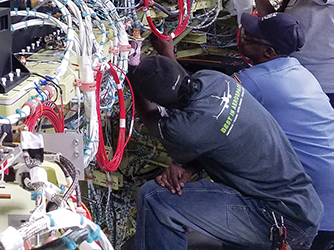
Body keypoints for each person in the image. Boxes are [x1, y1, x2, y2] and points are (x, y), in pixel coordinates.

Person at [130, 55, 322, 250]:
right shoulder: (214, 79)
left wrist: (132, 81)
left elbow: (149, 116)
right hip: (302, 205)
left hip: (277, 218)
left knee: (155, 197)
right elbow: (216, 134)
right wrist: (188, 168)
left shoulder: (185, 131)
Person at [232, 12, 334, 250]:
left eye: (249, 37)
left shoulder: (252, 81)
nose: (242, 39)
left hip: (316, 204)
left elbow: (203, 107)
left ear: (268, 53)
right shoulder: (299, 70)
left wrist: (166, 55)